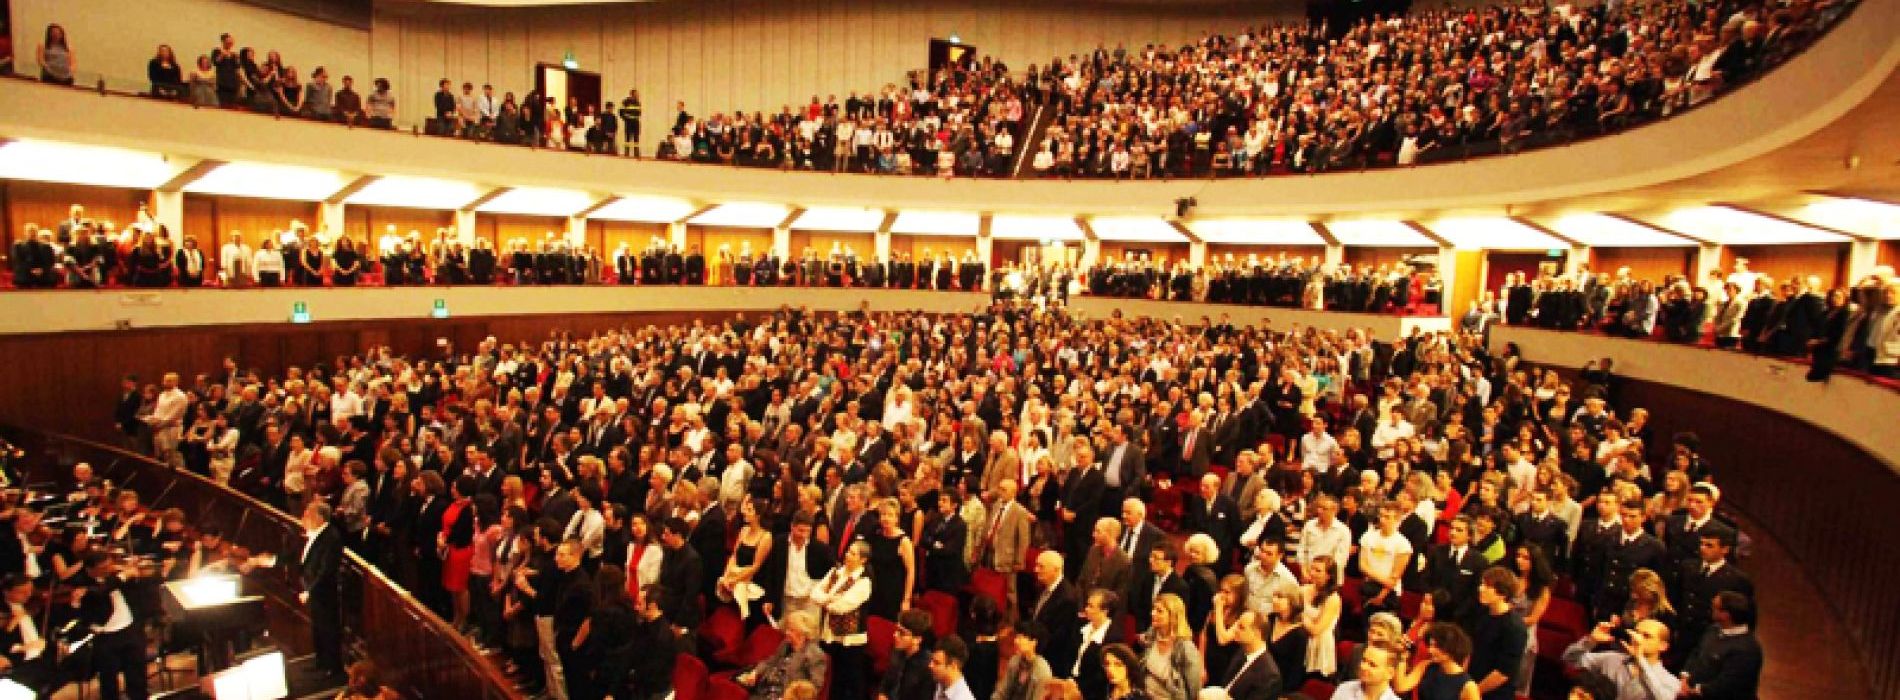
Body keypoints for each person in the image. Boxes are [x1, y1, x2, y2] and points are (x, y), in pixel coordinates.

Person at [812, 540, 873, 700]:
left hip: (850, 640)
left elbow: (843, 606)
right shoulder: (836, 571)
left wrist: (826, 600)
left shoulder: (863, 581)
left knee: (848, 682)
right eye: (848, 551)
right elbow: (815, 593)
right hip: (829, 633)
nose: (847, 555)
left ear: (863, 560)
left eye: (853, 553)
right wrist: (831, 599)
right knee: (831, 679)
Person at [1561, 618, 1679, 700]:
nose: (1637, 638)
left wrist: (1641, 660)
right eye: (1636, 633)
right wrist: (1591, 640)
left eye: (1646, 636)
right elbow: (1570, 659)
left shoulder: (1670, 681)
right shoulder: (1612, 658)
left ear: (1662, 646)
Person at [1679, 591, 1762, 700]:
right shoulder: (1713, 629)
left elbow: (1728, 685)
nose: (1710, 609)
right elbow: (1697, 652)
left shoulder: (1747, 651)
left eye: (1715, 607)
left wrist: (1695, 691)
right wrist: (1685, 676)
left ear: (1726, 615)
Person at [1468, 567, 1528, 700]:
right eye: (1482, 584)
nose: (1480, 589)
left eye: (1487, 586)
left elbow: (1503, 672)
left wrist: (1474, 692)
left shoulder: (1514, 628)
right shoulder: (1482, 613)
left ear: (1502, 593)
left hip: (1495, 694)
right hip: (1472, 683)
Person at [1140, 593, 1203, 700]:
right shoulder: (1152, 635)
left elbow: (1194, 687)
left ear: (1173, 616)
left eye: (1159, 611)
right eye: (1153, 609)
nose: (1152, 613)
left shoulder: (1186, 648)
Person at [994, 620, 1053, 700]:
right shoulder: (1015, 660)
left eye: (1021, 638)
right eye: (1017, 637)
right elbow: (1002, 692)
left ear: (1034, 642)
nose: (1016, 641)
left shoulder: (1041, 671)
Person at [1329, 640, 1405, 700]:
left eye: (1372, 665)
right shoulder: (1344, 689)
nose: (1363, 666)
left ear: (1390, 673)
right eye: (1364, 660)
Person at [930, 635, 978, 700]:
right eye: (932, 660)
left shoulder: (963, 697)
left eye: (937, 663)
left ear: (953, 665)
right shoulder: (941, 685)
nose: (930, 665)